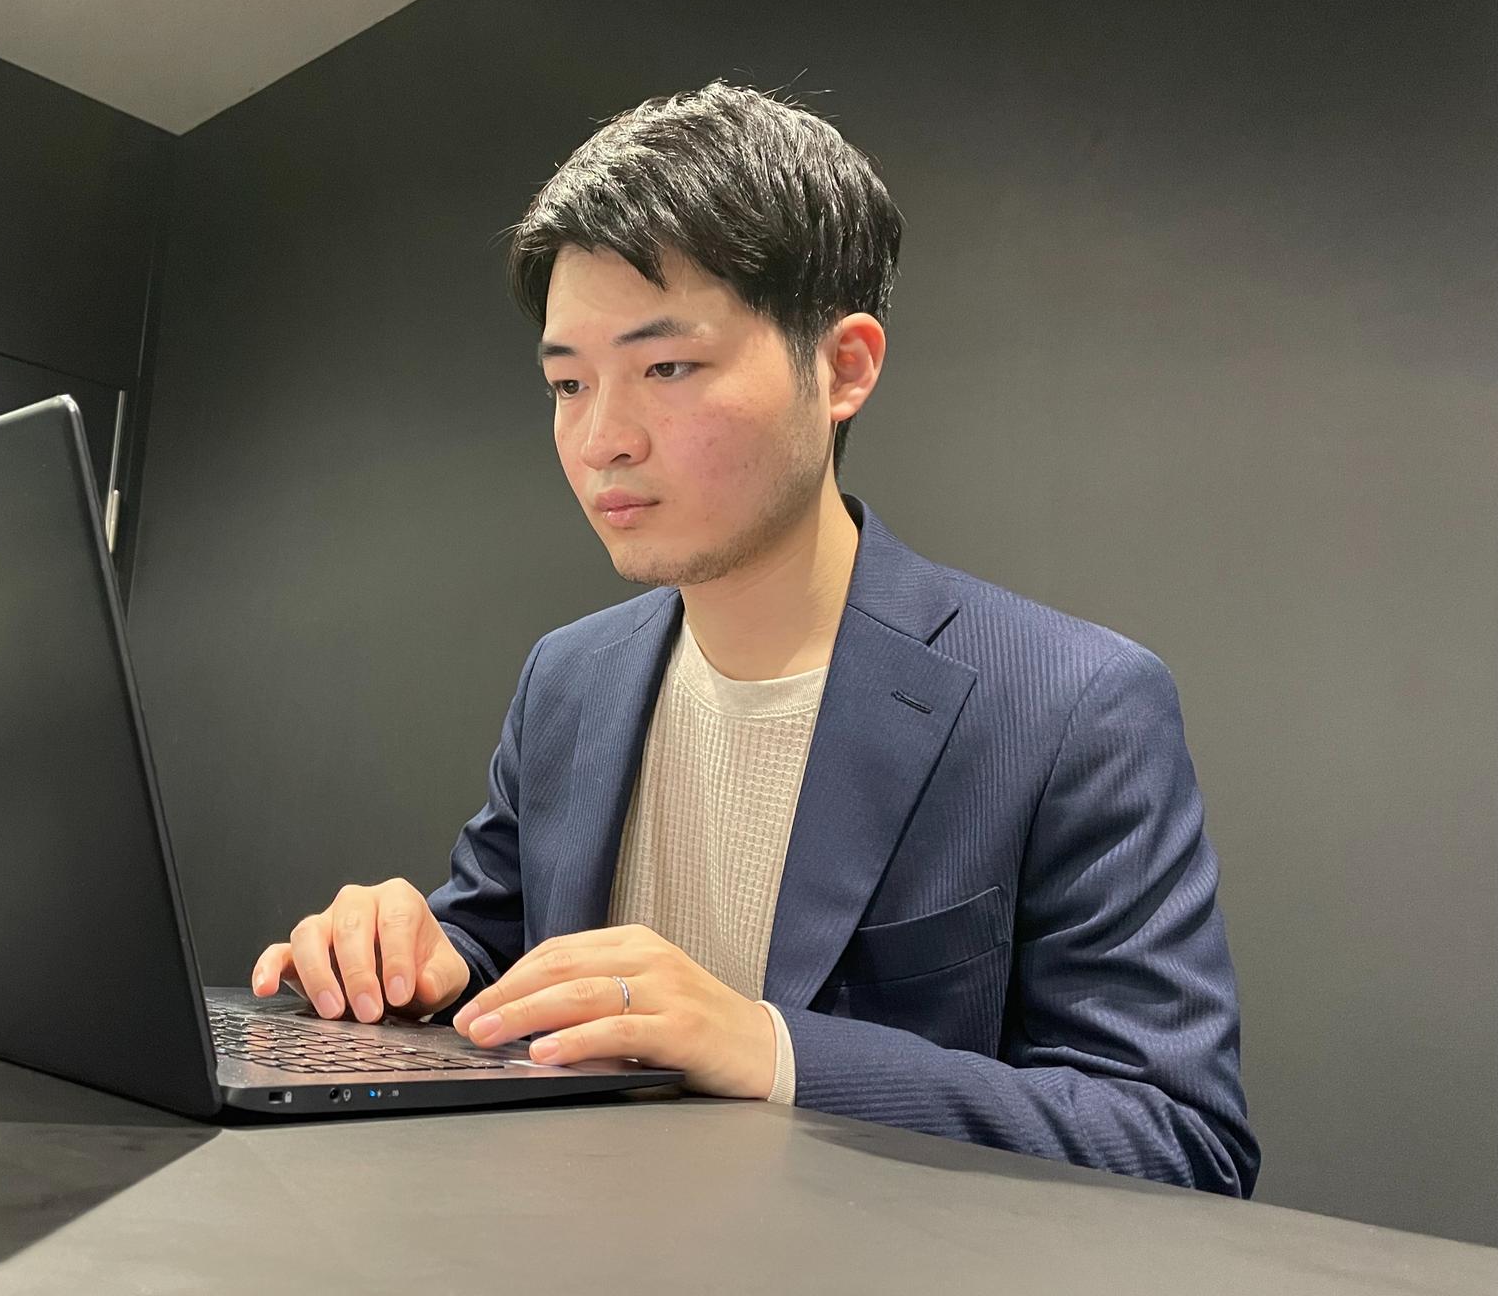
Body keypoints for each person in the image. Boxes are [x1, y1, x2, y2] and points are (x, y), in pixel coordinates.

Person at [250, 80, 1259, 1198]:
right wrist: (407, 961)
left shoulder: (1070, 701)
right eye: (567, 382)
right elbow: (494, 946)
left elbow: (1178, 1141)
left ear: (844, 367)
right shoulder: (569, 677)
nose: (600, 439)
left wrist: (770, 1048)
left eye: (666, 368)